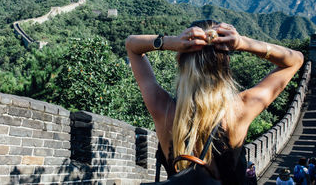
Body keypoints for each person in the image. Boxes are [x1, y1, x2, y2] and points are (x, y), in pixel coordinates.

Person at [125, 20, 303, 185]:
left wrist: (170, 42)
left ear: (179, 59)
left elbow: (132, 46)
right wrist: (243, 43)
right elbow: (295, 60)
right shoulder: (241, 108)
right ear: (226, 62)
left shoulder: (163, 108)